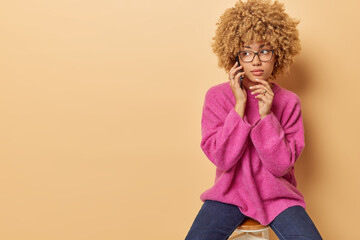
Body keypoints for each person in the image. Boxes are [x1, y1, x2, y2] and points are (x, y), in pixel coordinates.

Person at [185, 0, 323, 239]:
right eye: (247, 53)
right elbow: (223, 159)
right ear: (235, 56)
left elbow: (280, 166)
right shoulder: (216, 97)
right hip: (228, 195)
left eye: (264, 51)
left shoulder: (289, 102)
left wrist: (266, 115)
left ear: (277, 53)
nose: (256, 61)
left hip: (279, 197)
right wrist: (239, 107)